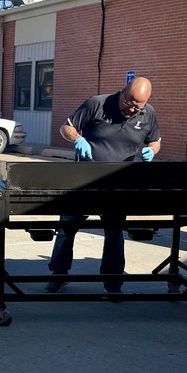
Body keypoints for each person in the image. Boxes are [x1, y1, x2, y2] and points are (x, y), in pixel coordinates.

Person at [45, 76, 161, 294]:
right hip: (83, 181)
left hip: (118, 186)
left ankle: (112, 280)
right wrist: (78, 139)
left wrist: (151, 151)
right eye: (129, 103)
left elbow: (155, 141)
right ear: (122, 92)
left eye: (139, 106)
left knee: (115, 233)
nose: (132, 109)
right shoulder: (97, 104)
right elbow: (66, 128)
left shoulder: (148, 113)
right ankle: (58, 273)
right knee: (67, 228)